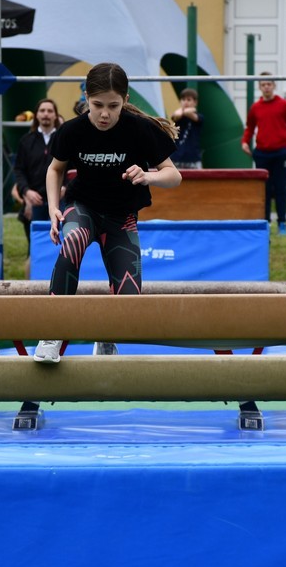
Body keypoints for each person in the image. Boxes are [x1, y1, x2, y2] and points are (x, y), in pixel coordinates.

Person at [34, 62, 180, 363]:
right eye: (97, 105)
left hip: (121, 216)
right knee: (72, 242)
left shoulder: (140, 130)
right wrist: (52, 210)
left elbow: (173, 175)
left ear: (125, 101)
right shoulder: (72, 131)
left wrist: (148, 176)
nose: (104, 114)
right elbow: (55, 169)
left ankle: (107, 336)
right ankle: (51, 332)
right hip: (83, 208)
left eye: (113, 106)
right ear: (86, 97)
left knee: (128, 302)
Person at [241, 73, 286, 235]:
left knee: (280, 189)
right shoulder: (256, 107)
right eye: (263, 84)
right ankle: (265, 222)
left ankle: (282, 223)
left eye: (269, 84)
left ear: (274, 86)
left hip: (280, 153)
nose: (266, 87)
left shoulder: (284, 105)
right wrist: (245, 142)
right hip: (262, 154)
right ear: (259, 87)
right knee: (264, 191)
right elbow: (250, 127)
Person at [11, 98, 62, 277]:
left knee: (63, 245)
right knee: (35, 247)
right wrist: (26, 193)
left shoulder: (64, 138)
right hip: (35, 203)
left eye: (49, 111)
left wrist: (65, 189)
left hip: (60, 203)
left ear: (55, 115)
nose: (46, 114)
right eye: (42, 111)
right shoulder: (27, 141)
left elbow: (73, 169)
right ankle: (32, 285)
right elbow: (19, 170)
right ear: (37, 115)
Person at [170, 87, 203, 169]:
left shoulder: (199, 117)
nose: (185, 102)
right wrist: (183, 111)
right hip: (177, 157)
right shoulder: (178, 116)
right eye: (183, 99)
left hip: (193, 159)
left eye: (189, 100)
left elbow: (190, 114)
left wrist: (187, 110)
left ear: (195, 102)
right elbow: (175, 116)